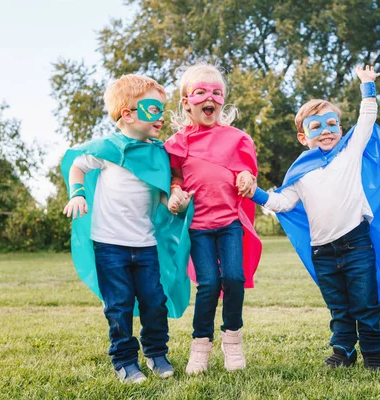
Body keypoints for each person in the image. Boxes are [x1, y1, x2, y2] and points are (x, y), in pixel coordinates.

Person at [248, 65, 380, 369]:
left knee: (365, 303)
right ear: (302, 136)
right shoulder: (299, 174)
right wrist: (255, 193)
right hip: (323, 251)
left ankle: (374, 352)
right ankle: (343, 351)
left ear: (339, 127)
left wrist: (367, 86)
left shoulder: (349, 154)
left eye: (332, 123)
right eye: (316, 126)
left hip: (357, 245)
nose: (325, 130)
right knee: (338, 307)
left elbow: (366, 121)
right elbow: (281, 202)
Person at [60, 74, 192, 383]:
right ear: (128, 114)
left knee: (154, 302)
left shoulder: (158, 154)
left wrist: (176, 203)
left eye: (162, 108)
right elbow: (77, 164)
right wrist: (77, 193)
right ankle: (124, 361)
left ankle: (156, 353)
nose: (160, 115)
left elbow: (162, 194)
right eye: (152, 109)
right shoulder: (107, 149)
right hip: (109, 245)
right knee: (118, 306)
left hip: (145, 245)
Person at [164, 63, 261, 374]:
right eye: (201, 92)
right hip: (199, 228)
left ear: (223, 100)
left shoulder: (236, 138)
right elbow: (174, 179)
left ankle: (232, 339)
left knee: (234, 278)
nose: (211, 97)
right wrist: (176, 192)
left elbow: (246, 171)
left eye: (217, 92)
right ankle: (200, 346)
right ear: (187, 102)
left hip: (229, 223)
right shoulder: (178, 144)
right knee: (208, 284)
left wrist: (247, 177)